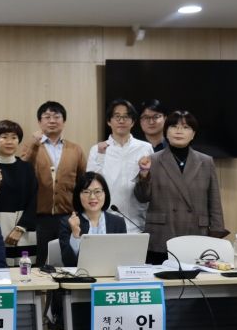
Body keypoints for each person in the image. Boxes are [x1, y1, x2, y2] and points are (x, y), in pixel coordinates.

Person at [135, 111, 225, 264]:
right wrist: (144, 174)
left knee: (198, 277)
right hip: (162, 234)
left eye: (185, 127)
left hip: (196, 233)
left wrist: (216, 234)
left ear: (193, 134)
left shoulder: (206, 161)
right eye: (174, 126)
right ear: (166, 132)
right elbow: (142, 197)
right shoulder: (152, 160)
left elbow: (214, 201)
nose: (179, 131)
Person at [20, 101, 86, 266]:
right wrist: (34, 144)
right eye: (47, 117)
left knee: (69, 260)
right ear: (39, 121)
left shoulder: (75, 149)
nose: (52, 121)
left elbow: (83, 181)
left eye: (57, 117)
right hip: (39, 216)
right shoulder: (31, 146)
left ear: (64, 121)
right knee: (41, 261)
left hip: (68, 215)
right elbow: (22, 171)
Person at [87, 99, 153, 233]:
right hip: (106, 222)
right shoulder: (97, 149)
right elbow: (90, 184)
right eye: (117, 116)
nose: (121, 121)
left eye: (126, 117)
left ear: (133, 122)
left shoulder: (145, 148)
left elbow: (151, 185)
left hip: (138, 221)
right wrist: (101, 156)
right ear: (109, 121)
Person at [0, 120, 37, 259]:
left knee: (23, 268)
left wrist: (20, 228)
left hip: (22, 228)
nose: (9, 141)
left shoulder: (26, 168)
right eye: (4, 137)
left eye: (14, 137)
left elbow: (34, 200)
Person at [59, 172, 127, 267]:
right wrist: (75, 235)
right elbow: (68, 263)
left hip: (110, 274)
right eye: (86, 192)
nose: (92, 197)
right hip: (81, 275)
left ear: (105, 194)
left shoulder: (118, 223)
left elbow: (123, 259)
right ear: (78, 195)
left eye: (97, 191)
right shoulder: (68, 222)